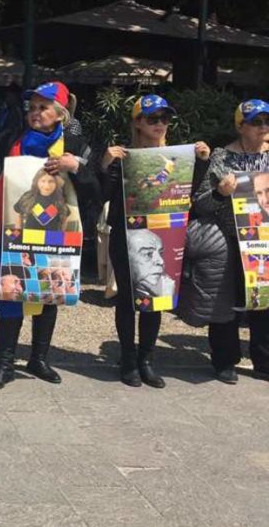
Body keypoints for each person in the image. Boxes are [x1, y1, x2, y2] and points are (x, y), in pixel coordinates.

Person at [0, 81, 98, 390]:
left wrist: (76, 167)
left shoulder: (76, 144)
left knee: (49, 292)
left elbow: (96, 191)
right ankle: (4, 365)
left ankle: (39, 358)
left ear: (60, 113)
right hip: (16, 230)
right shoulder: (15, 138)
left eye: (43, 108)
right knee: (12, 292)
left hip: (56, 234)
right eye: (32, 107)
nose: (35, 113)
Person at [99, 94, 210, 387]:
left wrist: (200, 162)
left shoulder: (177, 156)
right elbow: (102, 195)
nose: (160, 124)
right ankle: (127, 359)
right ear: (137, 122)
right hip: (126, 235)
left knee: (156, 298)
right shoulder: (122, 155)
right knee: (126, 298)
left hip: (163, 233)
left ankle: (145, 360)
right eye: (153, 118)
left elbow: (189, 192)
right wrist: (106, 164)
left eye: (164, 118)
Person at [181, 98, 269, 383]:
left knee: (264, 302)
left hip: (263, 239)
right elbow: (201, 203)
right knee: (224, 302)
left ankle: (264, 360)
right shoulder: (222, 157)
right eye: (257, 122)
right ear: (241, 127)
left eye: (267, 121)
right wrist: (220, 192)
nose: (264, 127)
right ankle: (225, 360)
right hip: (229, 239)